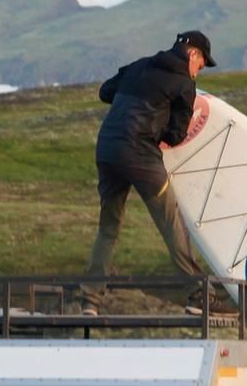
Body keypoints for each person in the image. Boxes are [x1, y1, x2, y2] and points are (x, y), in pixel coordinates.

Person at [79, 30, 223, 316]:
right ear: (193, 54)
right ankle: (199, 297)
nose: (199, 71)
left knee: (108, 228)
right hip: (140, 155)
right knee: (171, 223)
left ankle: (90, 301)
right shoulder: (184, 83)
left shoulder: (140, 65)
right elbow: (176, 135)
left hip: (107, 149)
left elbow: (106, 91)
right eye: (201, 65)